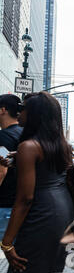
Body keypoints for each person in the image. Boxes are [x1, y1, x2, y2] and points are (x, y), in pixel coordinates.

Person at [0, 92, 74, 273]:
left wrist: (7, 243)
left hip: (41, 214)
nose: (18, 113)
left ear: (34, 113)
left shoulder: (28, 147)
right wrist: (18, 160)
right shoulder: (61, 144)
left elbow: (25, 199)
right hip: (62, 212)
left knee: (26, 270)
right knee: (44, 271)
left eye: (22, 108)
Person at [0, 95, 24, 240]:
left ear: (3, 110)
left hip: (4, 206)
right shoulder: (24, 132)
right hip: (20, 206)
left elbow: (1, 172)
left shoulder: (3, 136)